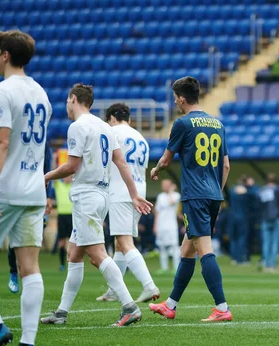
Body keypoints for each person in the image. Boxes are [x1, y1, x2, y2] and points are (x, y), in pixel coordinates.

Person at [40, 84, 153, 327]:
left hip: (87, 195)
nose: (66, 106)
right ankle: (61, 312)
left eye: (67, 101)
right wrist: (134, 194)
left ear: (73, 99)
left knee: (97, 255)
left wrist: (46, 177)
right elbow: (121, 163)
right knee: (74, 253)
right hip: (102, 194)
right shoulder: (104, 127)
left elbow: (71, 167)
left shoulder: (78, 127)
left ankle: (129, 306)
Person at [148, 76, 232, 322]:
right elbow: (225, 166)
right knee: (187, 249)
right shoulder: (218, 124)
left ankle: (222, 308)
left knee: (205, 250)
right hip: (214, 193)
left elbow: (165, 160)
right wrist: (216, 190)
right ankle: (170, 305)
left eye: (175, 98)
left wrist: (155, 171)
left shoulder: (182, 124)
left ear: (182, 99)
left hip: (195, 195)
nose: (175, 102)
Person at [0, 30, 49, 346]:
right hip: (34, 190)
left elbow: (1, 142)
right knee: (30, 266)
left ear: (4, 55)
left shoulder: (2, 92)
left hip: (6, 188)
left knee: (28, 266)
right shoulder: (41, 93)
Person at [95, 103, 160, 303]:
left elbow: (103, 161)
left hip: (121, 191)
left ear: (111, 118)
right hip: (139, 191)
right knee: (119, 244)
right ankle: (114, 289)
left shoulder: (110, 132)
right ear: (129, 119)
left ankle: (149, 285)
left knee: (125, 242)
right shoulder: (141, 138)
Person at [8, 139, 54, 294]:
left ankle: (26, 273)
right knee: (14, 241)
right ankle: (13, 272)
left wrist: (48, 195)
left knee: (32, 244)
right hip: (13, 193)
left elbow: (47, 167)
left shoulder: (42, 140)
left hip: (35, 195)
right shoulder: (12, 136)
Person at [258, 173, 279, 273]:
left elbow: (258, 203)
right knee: (275, 241)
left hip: (265, 218)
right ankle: (272, 265)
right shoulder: (278, 189)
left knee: (266, 242)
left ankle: (266, 263)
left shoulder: (262, 190)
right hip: (276, 217)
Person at [154, 179, 182, 271]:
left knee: (174, 246)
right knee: (162, 247)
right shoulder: (160, 196)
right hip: (161, 226)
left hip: (171, 226)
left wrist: (171, 191)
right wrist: (155, 225)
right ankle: (164, 267)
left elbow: (171, 202)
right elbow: (157, 211)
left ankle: (176, 267)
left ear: (170, 185)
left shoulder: (176, 195)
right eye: (163, 185)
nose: (164, 186)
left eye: (166, 185)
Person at [228, 175, 249, 266]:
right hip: (242, 217)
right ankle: (240, 259)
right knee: (241, 238)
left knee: (233, 238)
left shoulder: (232, 191)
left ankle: (234, 258)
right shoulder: (246, 192)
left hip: (232, 216)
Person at [53, 174, 73, 272]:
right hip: (62, 217)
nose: (67, 178)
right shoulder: (58, 185)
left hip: (72, 216)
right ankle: (62, 264)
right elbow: (54, 175)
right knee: (61, 242)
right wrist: (54, 159)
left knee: (72, 243)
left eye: (69, 176)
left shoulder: (74, 186)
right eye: (66, 176)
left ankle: (72, 263)